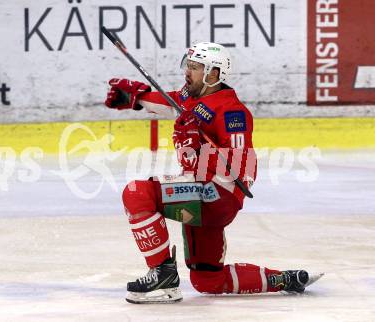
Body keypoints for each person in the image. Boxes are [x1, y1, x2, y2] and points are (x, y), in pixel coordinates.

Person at [104, 42, 321, 304]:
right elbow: (172, 101)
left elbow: (240, 171)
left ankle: (163, 275)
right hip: (197, 192)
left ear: (213, 74)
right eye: (188, 66)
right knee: (208, 281)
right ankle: (284, 279)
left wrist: (197, 143)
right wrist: (136, 99)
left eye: (194, 68)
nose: (187, 72)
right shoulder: (192, 95)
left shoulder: (232, 112)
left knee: (137, 193)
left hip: (216, 194)